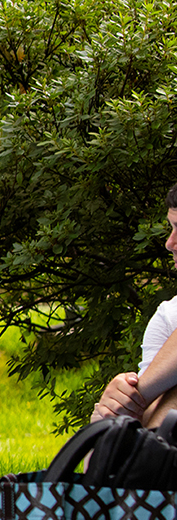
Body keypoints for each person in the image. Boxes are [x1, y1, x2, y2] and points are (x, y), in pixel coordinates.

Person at [93, 181, 177, 426]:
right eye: (171, 229)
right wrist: (118, 405)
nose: (170, 243)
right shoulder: (169, 317)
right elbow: (146, 424)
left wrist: (141, 392)